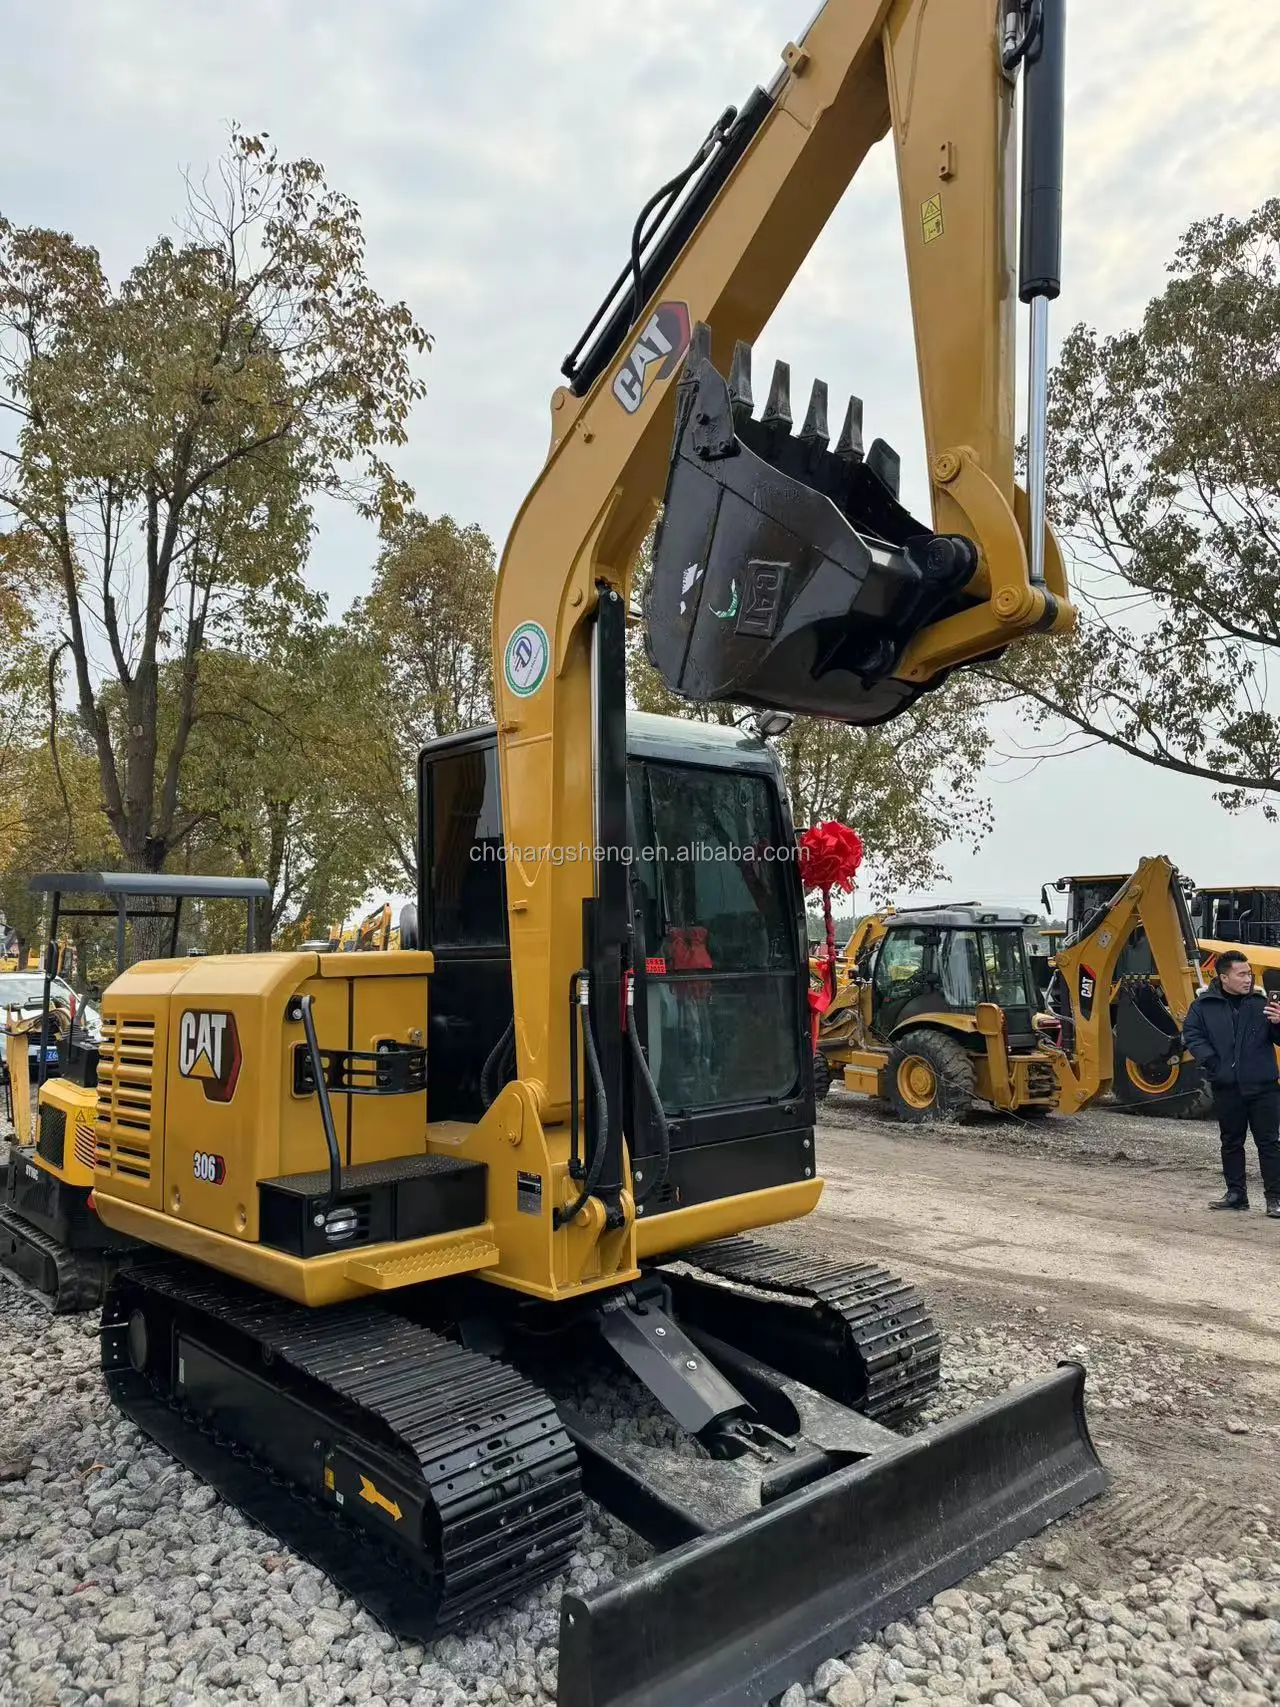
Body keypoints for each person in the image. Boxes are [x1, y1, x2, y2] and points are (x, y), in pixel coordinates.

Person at [1181, 950, 1280, 1217]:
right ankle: (1236, 1194)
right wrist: (1213, 1062)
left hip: (1264, 1086)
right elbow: (1191, 1034)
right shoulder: (1203, 1006)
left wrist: (1278, 1022)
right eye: (1242, 974)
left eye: (1249, 973)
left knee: (1269, 1143)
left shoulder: (1261, 1003)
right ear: (1224, 977)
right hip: (1227, 1086)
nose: (1248, 978)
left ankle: (1275, 1199)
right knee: (1231, 1141)